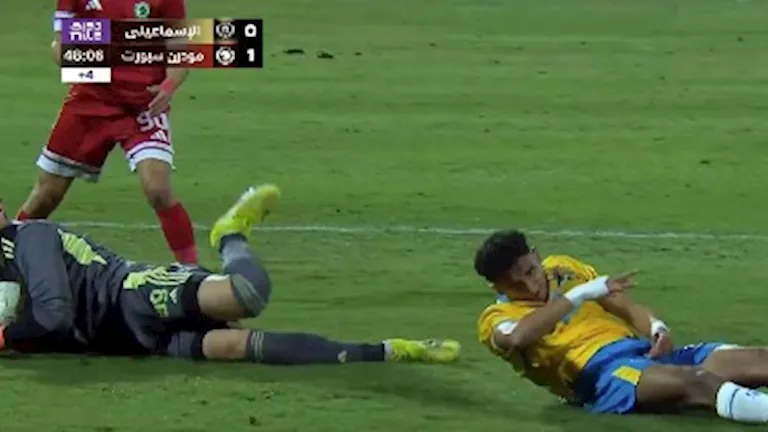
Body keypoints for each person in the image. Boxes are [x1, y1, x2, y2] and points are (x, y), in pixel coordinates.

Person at [0, 184, 461, 365]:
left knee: (247, 295)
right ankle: (391, 351)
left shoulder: (31, 236)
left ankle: (229, 236)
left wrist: (6, 338)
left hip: (133, 295)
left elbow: (54, 313)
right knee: (240, 347)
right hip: (124, 341)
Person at [474, 229, 768, 424]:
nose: (530, 285)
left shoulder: (564, 268)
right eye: (516, 284)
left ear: (537, 256)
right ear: (496, 288)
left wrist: (656, 327)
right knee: (697, 381)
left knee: (758, 359)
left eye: (531, 271)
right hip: (605, 377)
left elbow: (624, 307)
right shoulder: (496, 318)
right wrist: (579, 295)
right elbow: (517, 338)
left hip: (644, 354)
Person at [16, 0, 198, 264]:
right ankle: (8, 258)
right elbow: (60, 44)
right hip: (90, 101)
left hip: (142, 105)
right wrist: (77, 57)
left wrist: (169, 86)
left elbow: (178, 47)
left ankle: (192, 271)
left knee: (157, 188)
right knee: (46, 195)